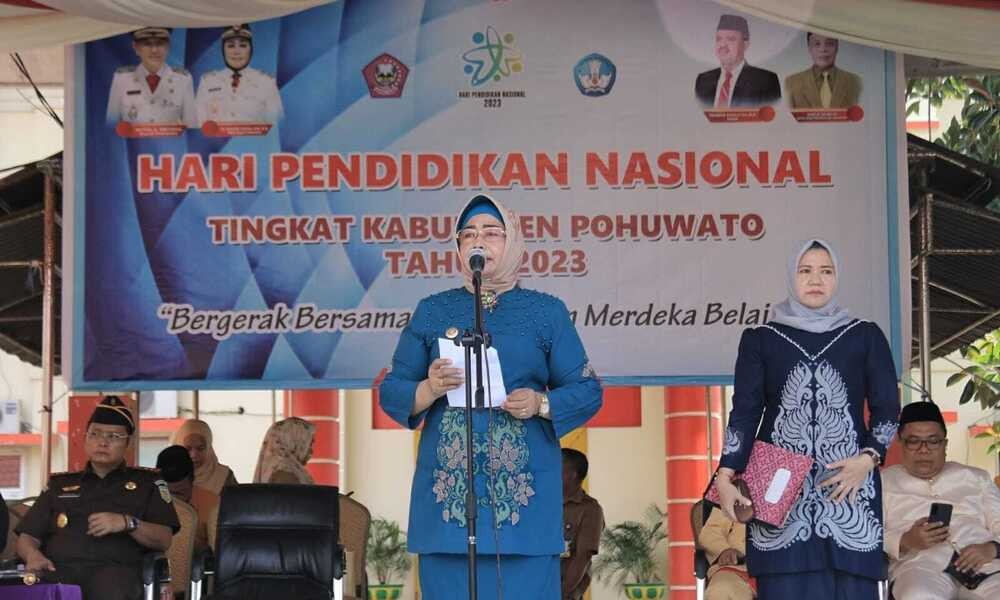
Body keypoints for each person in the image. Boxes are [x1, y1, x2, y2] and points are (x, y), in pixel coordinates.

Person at [379, 193, 603, 600]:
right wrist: (429, 389)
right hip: (448, 508)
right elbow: (392, 390)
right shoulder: (433, 311)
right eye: (468, 234)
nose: (478, 240)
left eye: (491, 232)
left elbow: (587, 390)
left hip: (523, 508)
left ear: (512, 241)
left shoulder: (545, 312)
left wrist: (541, 404)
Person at [713, 239, 900, 599]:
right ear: (791, 276)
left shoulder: (864, 336)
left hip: (848, 484)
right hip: (779, 490)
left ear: (837, 277)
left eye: (826, 271)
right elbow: (745, 411)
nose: (816, 280)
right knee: (787, 586)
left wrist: (868, 459)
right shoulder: (761, 339)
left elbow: (887, 407)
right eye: (805, 270)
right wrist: (725, 474)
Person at [15, 396, 179, 600]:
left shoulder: (148, 483)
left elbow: (163, 539)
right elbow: (27, 537)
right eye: (95, 434)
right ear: (85, 438)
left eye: (113, 436)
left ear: (129, 443)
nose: (102, 442)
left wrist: (128, 523)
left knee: (110, 587)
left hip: (115, 576)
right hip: (59, 572)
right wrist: (32, 555)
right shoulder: (59, 485)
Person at [882, 402, 1000, 599]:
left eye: (933, 441)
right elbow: (865, 536)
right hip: (920, 568)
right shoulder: (881, 483)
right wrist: (905, 540)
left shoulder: (976, 477)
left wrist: (992, 548)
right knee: (917, 595)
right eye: (913, 441)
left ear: (945, 444)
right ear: (900, 444)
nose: (924, 450)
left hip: (984, 565)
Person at [106, 27, 196, 127]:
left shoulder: (183, 80)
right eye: (147, 44)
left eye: (160, 43)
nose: (154, 50)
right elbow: (112, 127)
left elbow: (191, 127)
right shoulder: (122, 80)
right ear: (136, 48)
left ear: (168, 47)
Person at [195, 24, 284, 125]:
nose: (237, 52)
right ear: (223, 50)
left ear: (251, 49)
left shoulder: (267, 82)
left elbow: (275, 126)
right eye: (231, 46)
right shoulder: (208, 81)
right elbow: (199, 123)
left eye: (243, 45)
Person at [694, 14, 781, 108]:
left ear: (745, 45)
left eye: (730, 39)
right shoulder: (703, 80)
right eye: (718, 39)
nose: (722, 45)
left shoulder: (765, 81)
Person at [156, 445, 220, 551]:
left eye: (179, 493)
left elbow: (219, 551)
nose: (172, 500)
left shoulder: (213, 505)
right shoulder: (144, 501)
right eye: (166, 493)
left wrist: (191, 543)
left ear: (192, 481)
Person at [561, 448, 604, 600]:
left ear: (571, 475)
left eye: (556, 467)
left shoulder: (590, 509)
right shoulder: (543, 503)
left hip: (564, 593)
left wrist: (558, 594)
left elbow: (581, 559)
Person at [785, 33, 862, 109]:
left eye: (829, 43)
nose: (823, 49)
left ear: (837, 47)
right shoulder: (792, 82)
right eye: (817, 44)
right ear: (809, 48)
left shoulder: (854, 81)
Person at [699, 506, 756, 600]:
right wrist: (724, 550)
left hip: (778, 570)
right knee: (719, 591)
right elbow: (709, 532)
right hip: (737, 568)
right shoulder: (734, 498)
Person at [171, 419, 237, 496]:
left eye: (200, 448)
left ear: (209, 449)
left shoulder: (224, 476)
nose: (193, 455)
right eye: (187, 449)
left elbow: (238, 502)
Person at [252, 417, 317, 485]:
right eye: (308, 444)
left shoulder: (276, 468)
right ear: (293, 442)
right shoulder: (285, 474)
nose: (310, 452)